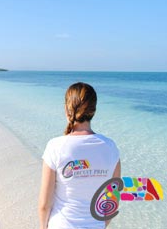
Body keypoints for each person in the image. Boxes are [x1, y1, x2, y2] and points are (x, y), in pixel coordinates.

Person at [38, 82, 121, 229]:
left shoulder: (55, 146)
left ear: (66, 109)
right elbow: (112, 202)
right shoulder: (110, 147)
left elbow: (45, 204)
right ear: (93, 111)